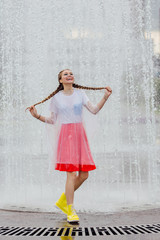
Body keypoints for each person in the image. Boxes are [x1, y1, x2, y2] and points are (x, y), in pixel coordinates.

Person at [26, 69, 112, 223]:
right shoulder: (56, 99)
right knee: (71, 174)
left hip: (80, 134)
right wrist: (37, 116)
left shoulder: (80, 94)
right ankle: (70, 210)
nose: (69, 75)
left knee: (84, 174)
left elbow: (94, 110)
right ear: (60, 80)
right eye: (65, 74)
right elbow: (52, 120)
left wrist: (105, 97)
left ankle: (63, 201)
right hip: (66, 136)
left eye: (71, 73)